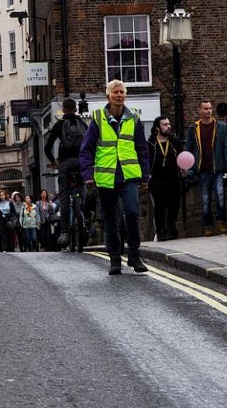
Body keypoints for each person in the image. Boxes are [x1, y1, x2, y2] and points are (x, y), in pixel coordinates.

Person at [78, 79, 151, 276]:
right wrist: (87, 175)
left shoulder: (133, 118)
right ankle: (115, 260)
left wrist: (145, 175)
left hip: (129, 176)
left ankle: (134, 256)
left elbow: (142, 149)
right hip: (106, 177)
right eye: (116, 92)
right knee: (111, 219)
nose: (120, 95)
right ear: (108, 96)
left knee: (133, 214)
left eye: (122, 92)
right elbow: (86, 150)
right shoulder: (98, 118)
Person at [184, 100, 227, 236]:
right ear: (199, 111)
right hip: (202, 169)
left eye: (210, 108)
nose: (208, 111)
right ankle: (208, 226)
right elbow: (189, 149)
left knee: (220, 195)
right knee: (205, 200)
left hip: (218, 168)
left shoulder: (221, 127)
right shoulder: (193, 128)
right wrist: (189, 170)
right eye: (205, 109)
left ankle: (221, 223)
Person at [47, 98, 88, 241]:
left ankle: (64, 232)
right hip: (81, 162)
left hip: (65, 164)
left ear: (63, 110)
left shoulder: (59, 125)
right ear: (76, 109)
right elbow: (91, 144)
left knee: (64, 197)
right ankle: (85, 221)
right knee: (83, 191)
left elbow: (47, 147)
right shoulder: (83, 124)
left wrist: (53, 162)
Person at [149, 116, 184, 241]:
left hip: (174, 179)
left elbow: (182, 157)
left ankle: (171, 227)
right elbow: (147, 160)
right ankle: (161, 231)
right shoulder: (151, 143)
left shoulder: (175, 142)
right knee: (159, 207)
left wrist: (184, 169)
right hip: (157, 180)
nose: (168, 126)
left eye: (169, 124)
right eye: (165, 124)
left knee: (174, 206)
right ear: (157, 127)